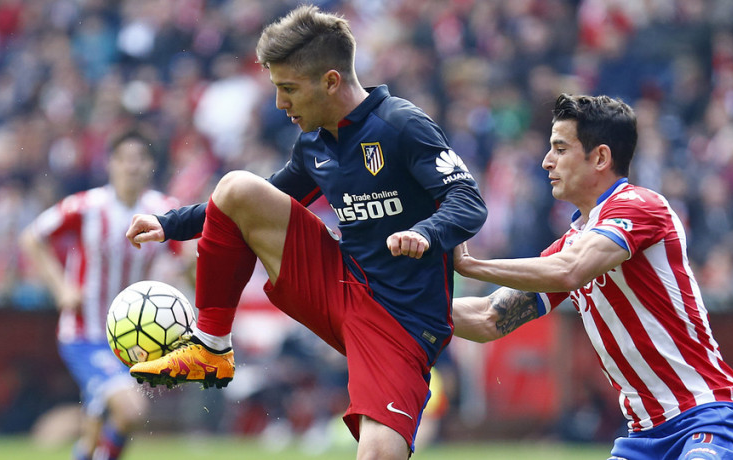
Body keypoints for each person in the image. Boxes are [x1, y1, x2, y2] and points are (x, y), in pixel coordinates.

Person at [125, 5, 487, 459]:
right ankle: (211, 345)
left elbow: (469, 202)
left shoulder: (402, 125)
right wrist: (169, 224)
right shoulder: (315, 142)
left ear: (331, 81)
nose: (281, 104)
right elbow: (255, 201)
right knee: (237, 186)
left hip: (402, 321)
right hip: (339, 284)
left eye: (289, 89)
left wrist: (427, 233)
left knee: (378, 455)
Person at [452, 93, 733, 460]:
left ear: (600, 157)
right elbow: (488, 318)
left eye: (559, 148)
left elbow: (570, 271)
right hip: (643, 440)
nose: (546, 161)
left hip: (712, 418)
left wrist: (470, 264)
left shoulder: (640, 206)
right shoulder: (571, 245)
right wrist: (386, 304)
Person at [20, 129, 186, 460]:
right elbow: (32, 237)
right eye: (125, 159)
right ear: (111, 164)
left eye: (140, 159)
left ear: (150, 166)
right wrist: (61, 288)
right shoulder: (86, 206)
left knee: (103, 428)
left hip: (135, 339)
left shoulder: (163, 210)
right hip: (85, 333)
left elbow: (187, 258)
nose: (132, 166)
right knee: (132, 411)